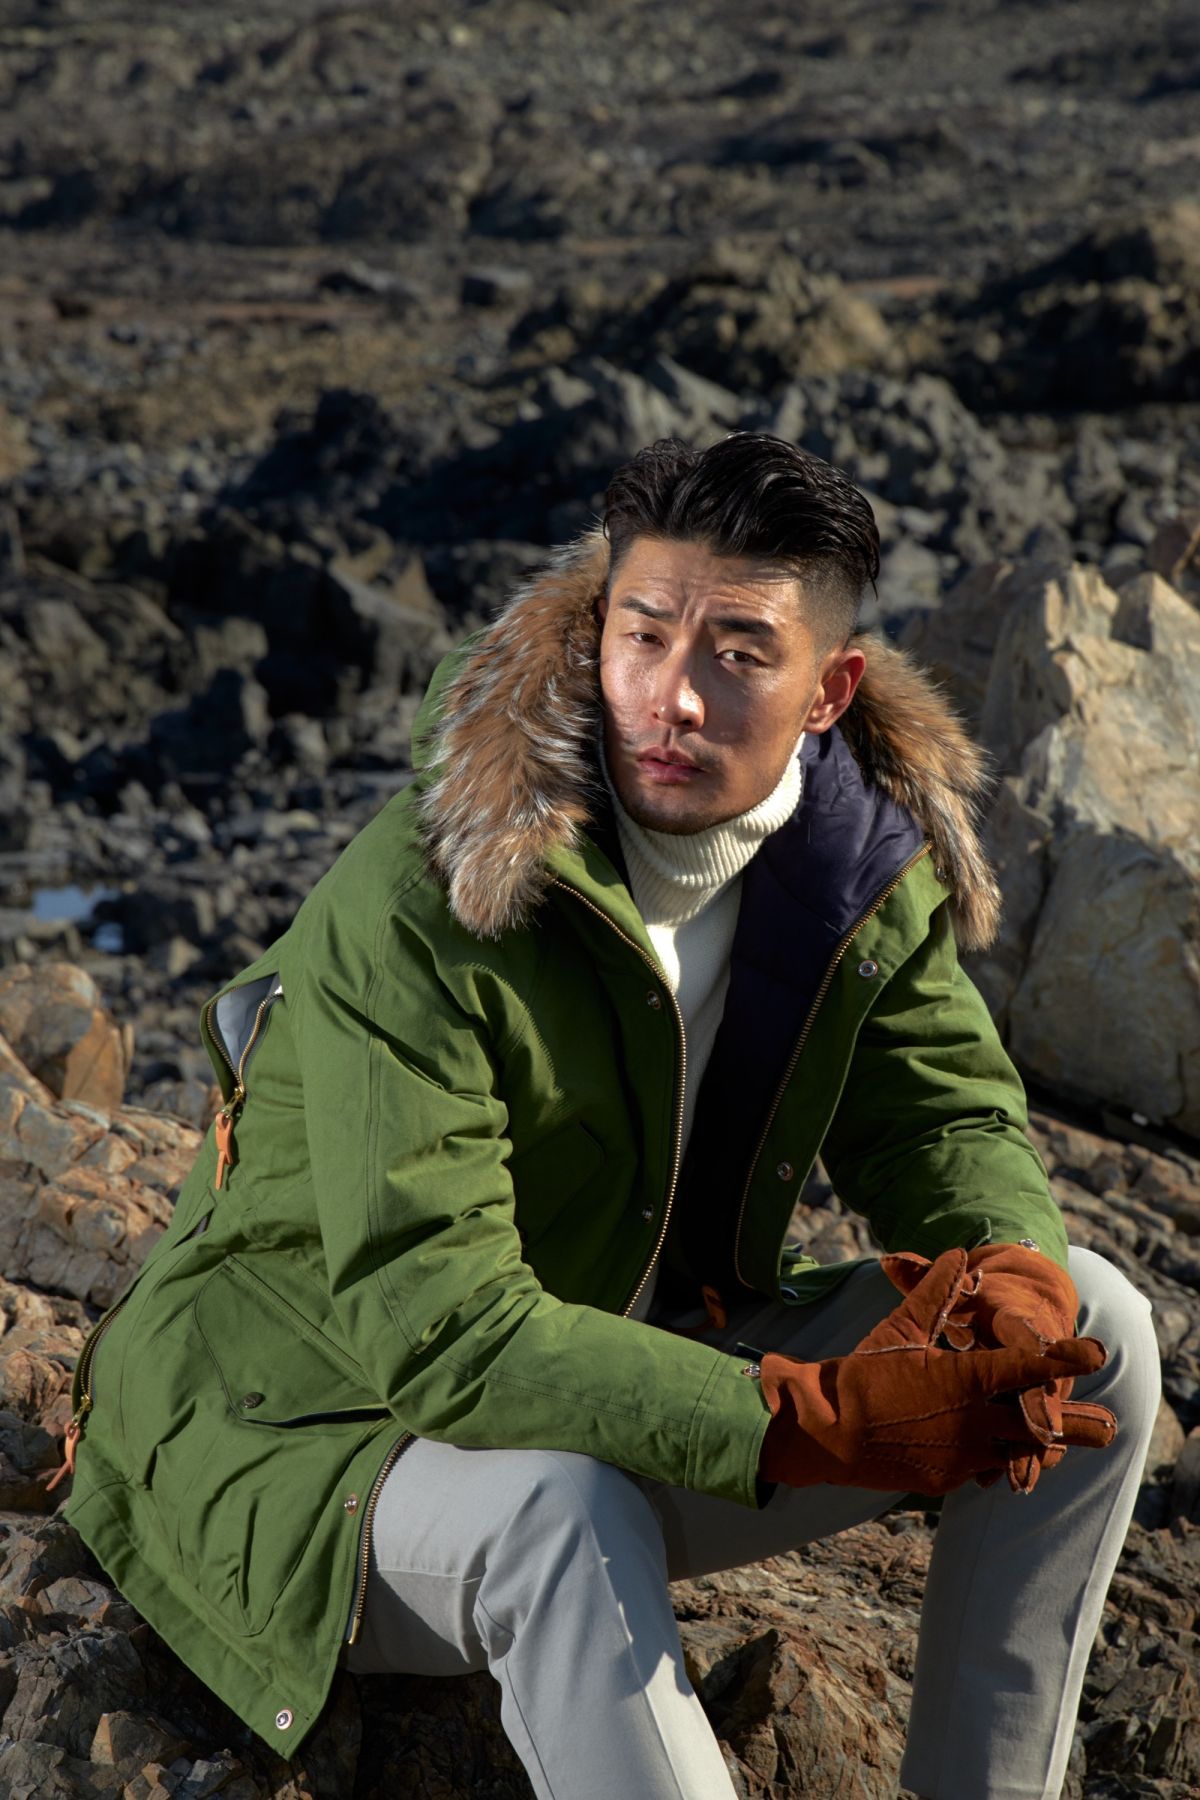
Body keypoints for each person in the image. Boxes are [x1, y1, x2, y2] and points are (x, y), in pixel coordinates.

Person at [61, 434, 1160, 1800]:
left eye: (739, 654)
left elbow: (940, 1118)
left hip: (613, 1376)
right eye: (643, 635)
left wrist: (1006, 1280)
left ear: (831, 690)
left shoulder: (852, 867)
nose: (673, 697)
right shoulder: (428, 897)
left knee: (1088, 1332)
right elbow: (446, 1329)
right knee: (561, 1514)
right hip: (315, 1429)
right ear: (598, 632)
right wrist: (793, 1416)